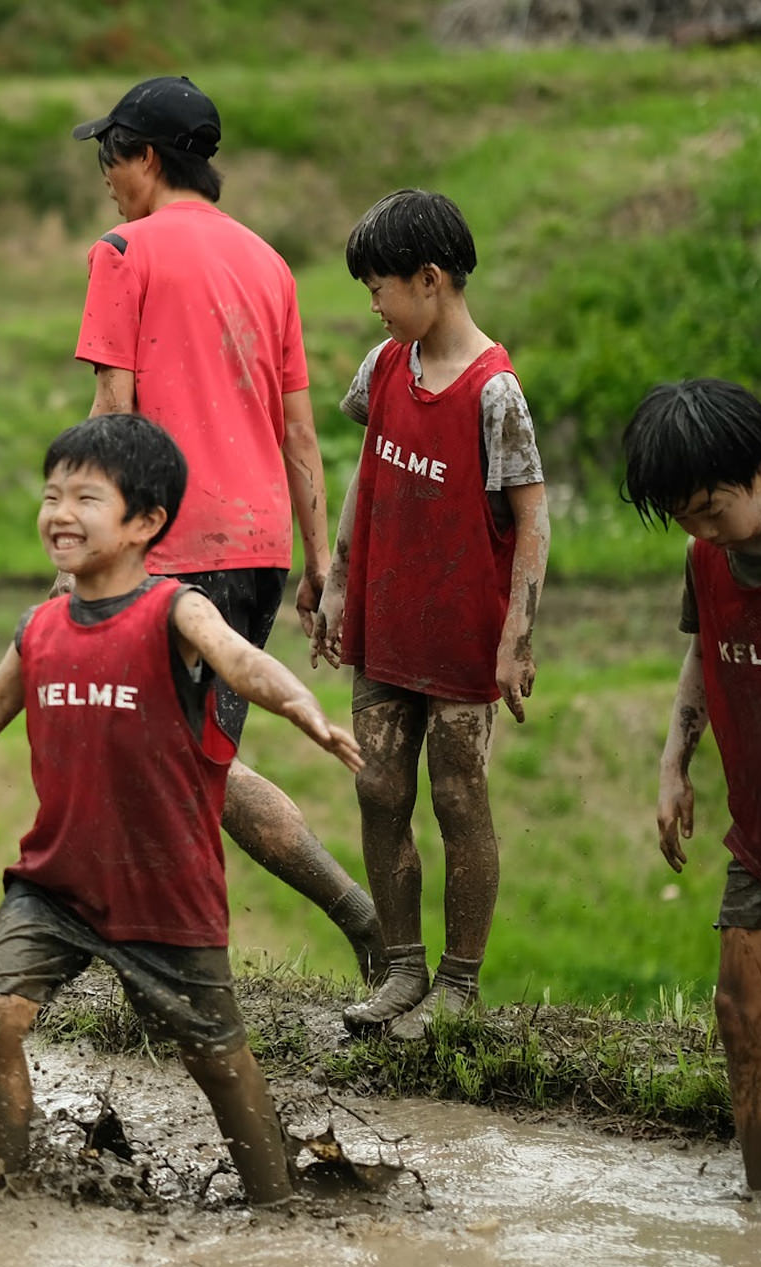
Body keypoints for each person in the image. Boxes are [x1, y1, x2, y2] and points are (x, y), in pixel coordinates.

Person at [0, 416, 363, 1204]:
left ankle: (280, 1208)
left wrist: (305, 709)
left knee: (218, 1060)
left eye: (86, 497)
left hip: (164, 889)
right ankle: (5, 1192)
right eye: (52, 493)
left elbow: (240, 658)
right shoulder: (41, 628)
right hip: (55, 886)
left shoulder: (173, 612)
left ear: (145, 523)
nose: (59, 512)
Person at [70, 75, 384, 983]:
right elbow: (297, 432)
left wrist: (86, 551)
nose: (104, 176)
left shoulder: (124, 251)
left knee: (161, 767)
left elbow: (113, 413)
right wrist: (321, 561)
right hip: (257, 552)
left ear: (149, 159)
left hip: (167, 548)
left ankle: (171, 969)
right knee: (193, 763)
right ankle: (347, 913)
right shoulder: (268, 263)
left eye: (109, 155)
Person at [315, 190, 552, 1037]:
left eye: (380, 287)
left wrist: (515, 639)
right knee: (379, 787)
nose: (373, 304)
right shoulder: (384, 367)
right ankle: (402, 971)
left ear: (431, 278)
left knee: (458, 798)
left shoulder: (496, 393)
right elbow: (365, 474)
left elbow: (534, 518)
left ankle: (458, 984)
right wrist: (339, 580)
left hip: (461, 635)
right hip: (385, 624)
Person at [625, 380, 761, 1193]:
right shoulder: (707, 557)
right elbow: (703, 653)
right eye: (684, 516)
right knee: (742, 1017)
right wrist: (675, 762)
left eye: (710, 508)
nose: (701, 531)